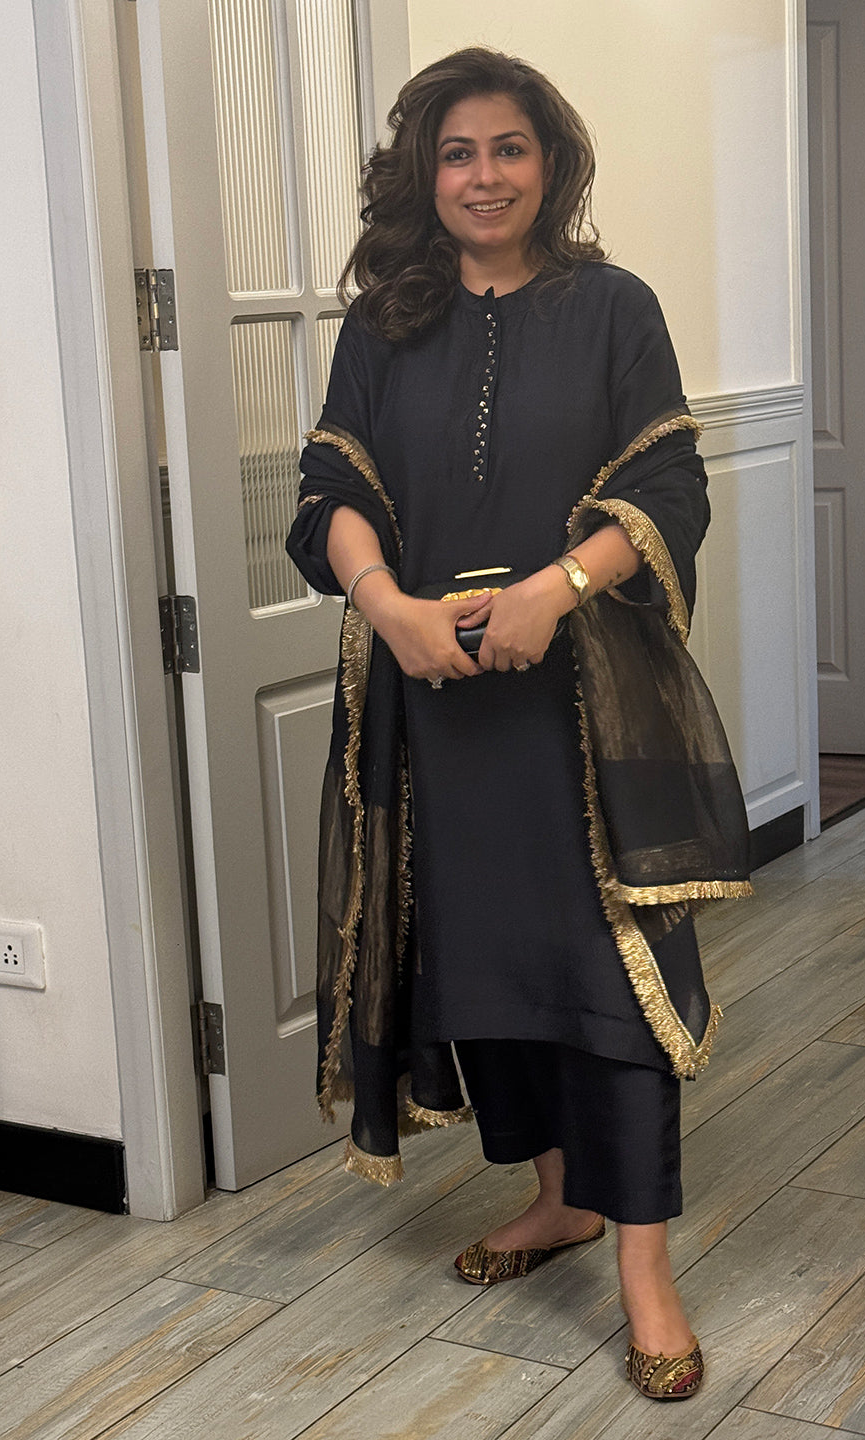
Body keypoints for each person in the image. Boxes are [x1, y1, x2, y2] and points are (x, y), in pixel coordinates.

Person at [286, 47, 750, 1404]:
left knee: (612, 986)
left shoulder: (614, 309)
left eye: (508, 149)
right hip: (435, 713)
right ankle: (561, 1198)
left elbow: (670, 478)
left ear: (551, 163)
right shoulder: (384, 325)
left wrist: (557, 589)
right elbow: (329, 485)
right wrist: (388, 607)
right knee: (487, 973)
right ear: (423, 175)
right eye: (456, 153)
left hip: (582, 711)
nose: (483, 176)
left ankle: (646, 1269)